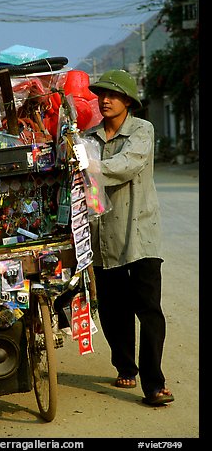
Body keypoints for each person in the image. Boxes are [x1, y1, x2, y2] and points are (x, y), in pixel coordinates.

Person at [84, 69, 174, 406]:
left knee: (149, 310)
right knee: (112, 310)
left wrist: (88, 167)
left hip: (141, 237)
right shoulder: (88, 139)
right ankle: (125, 365)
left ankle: (154, 384)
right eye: (101, 94)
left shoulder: (142, 130)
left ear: (128, 101)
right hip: (104, 237)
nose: (105, 100)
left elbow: (127, 164)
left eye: (113, 95)